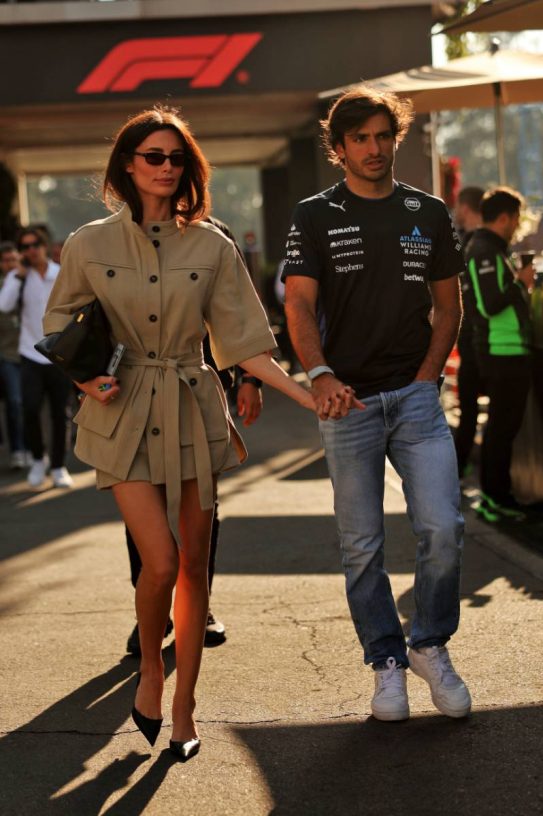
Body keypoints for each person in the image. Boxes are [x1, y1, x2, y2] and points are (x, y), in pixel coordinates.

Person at [43, 106, 323, 761]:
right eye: (153, 157)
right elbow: (59, 325)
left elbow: (247, 345)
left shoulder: (213, 245)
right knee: (160, 562)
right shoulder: (87, 243)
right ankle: (148, 668)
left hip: (195, 404)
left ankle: (185, 709)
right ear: (128, 166)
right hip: (120, 412)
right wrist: (87, 381)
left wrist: (310, 395)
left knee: (194, 572)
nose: (166, 168)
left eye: (176, 159)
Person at [283, 84, 471, 722]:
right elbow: (299, 304)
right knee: (360, 544)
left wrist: (426, 377)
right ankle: (386, 661)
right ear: (338, 149)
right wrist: (320, 372)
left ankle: (428, 643)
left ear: (397, 138)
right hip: (348, 405)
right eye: (359, 138)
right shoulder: (314, 214)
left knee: (443, 527)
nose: (373, 148)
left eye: (382, 136)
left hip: (417, 399)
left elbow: (450, 307)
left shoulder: (428, 210)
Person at [125, 217, 263, 656]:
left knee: (202, 505)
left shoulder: (215, 235)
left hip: (198, 389)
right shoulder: (124, 235)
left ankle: (197, 607)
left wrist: (250, 379)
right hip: (138, 394)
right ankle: (151, 609)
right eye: (155, 159)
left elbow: (238, 317)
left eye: (175, 162)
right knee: (144, 507)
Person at [463, 187, 534, 522]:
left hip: (506, 351)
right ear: (504, 217)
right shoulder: (485, 251)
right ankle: (496, 499)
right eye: (516, 219)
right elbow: (489, 305)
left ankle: (497, 496)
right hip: (500, 352)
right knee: (501, 429)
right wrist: (520, 284)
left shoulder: (489, 249)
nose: (517, 226)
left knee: (501, 428)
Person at [0, 228, 73, 488]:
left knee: (59, 413)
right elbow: (4, 306)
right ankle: (37, 459)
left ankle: (58, 465)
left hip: (58, 354)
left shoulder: (60, 273)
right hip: (30, 353)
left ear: (44, 246)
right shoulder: (18, 277)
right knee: (29, 408)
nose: (30, 250)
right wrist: (18, 277)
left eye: (34, 245)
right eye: (25, 246)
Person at [453, 186, 485, 479]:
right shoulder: (470, 242)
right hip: (475, 341)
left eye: (458, 207)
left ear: (466, 207)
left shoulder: (474, 244)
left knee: (469, 413)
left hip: (476, 340)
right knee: (471, 413)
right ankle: (459, 469)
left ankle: (458, 469)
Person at [0, 241, 26, 469]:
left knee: (32, 404)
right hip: (7, 354)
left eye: (13, 260)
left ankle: (33, 450)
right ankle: (17, 449)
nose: (10, 265)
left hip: (30, 352)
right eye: (6, 261)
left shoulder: (29, 280)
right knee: (15, 402)